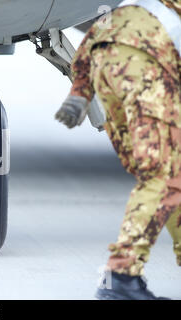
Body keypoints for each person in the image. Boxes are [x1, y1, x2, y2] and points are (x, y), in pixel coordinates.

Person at [55, 0, 181, 300]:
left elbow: (100, 32)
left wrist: (81, 90)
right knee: (162, 175)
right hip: (143, 61)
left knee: (171, 173)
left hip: (106, 57)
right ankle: (121, 276)